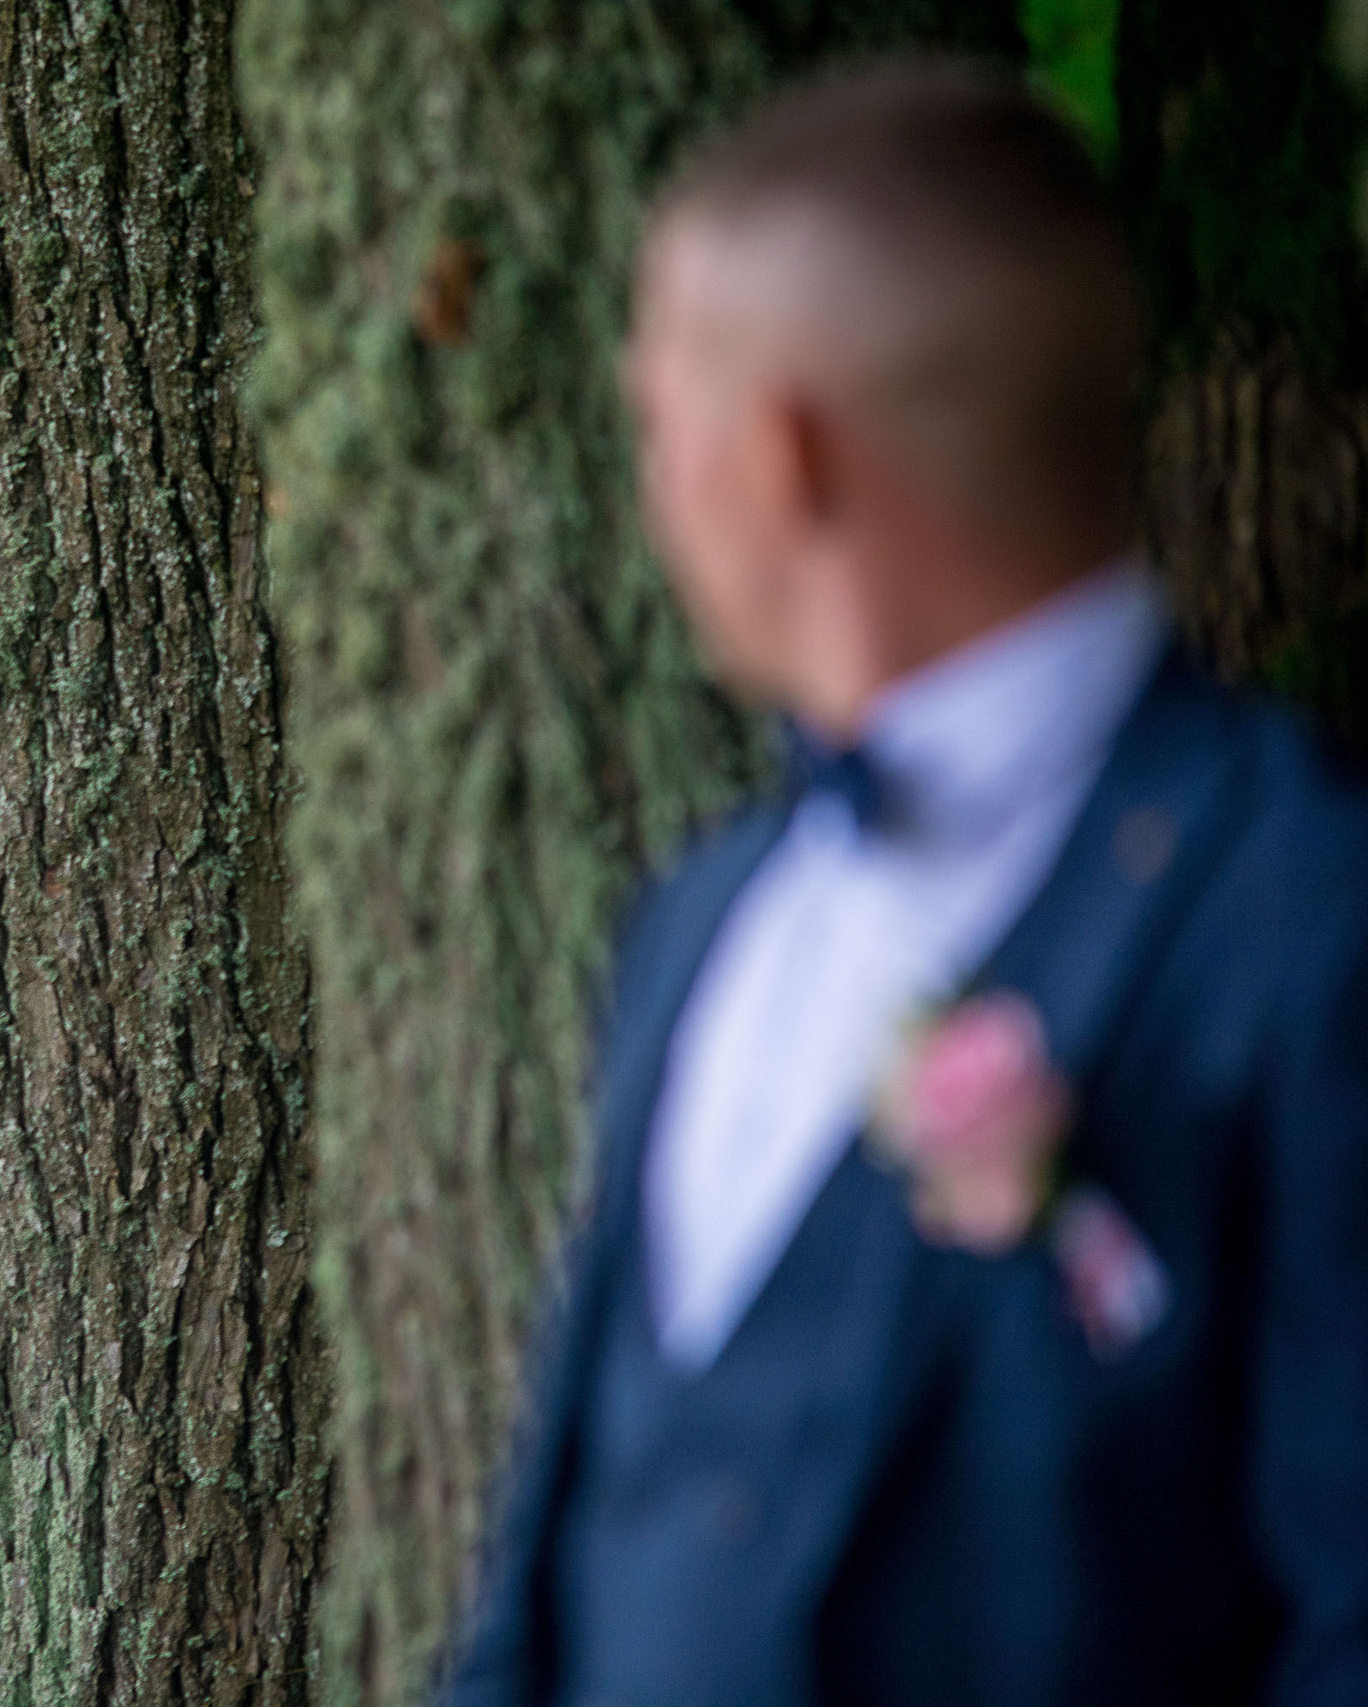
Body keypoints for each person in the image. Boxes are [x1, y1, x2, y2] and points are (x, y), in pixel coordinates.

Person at [446, 63, 1368, 1707]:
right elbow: (557, 1567)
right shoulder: (700, 918)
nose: (654, 493)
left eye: (661, 426)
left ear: (787, 453)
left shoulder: (1305, 914)